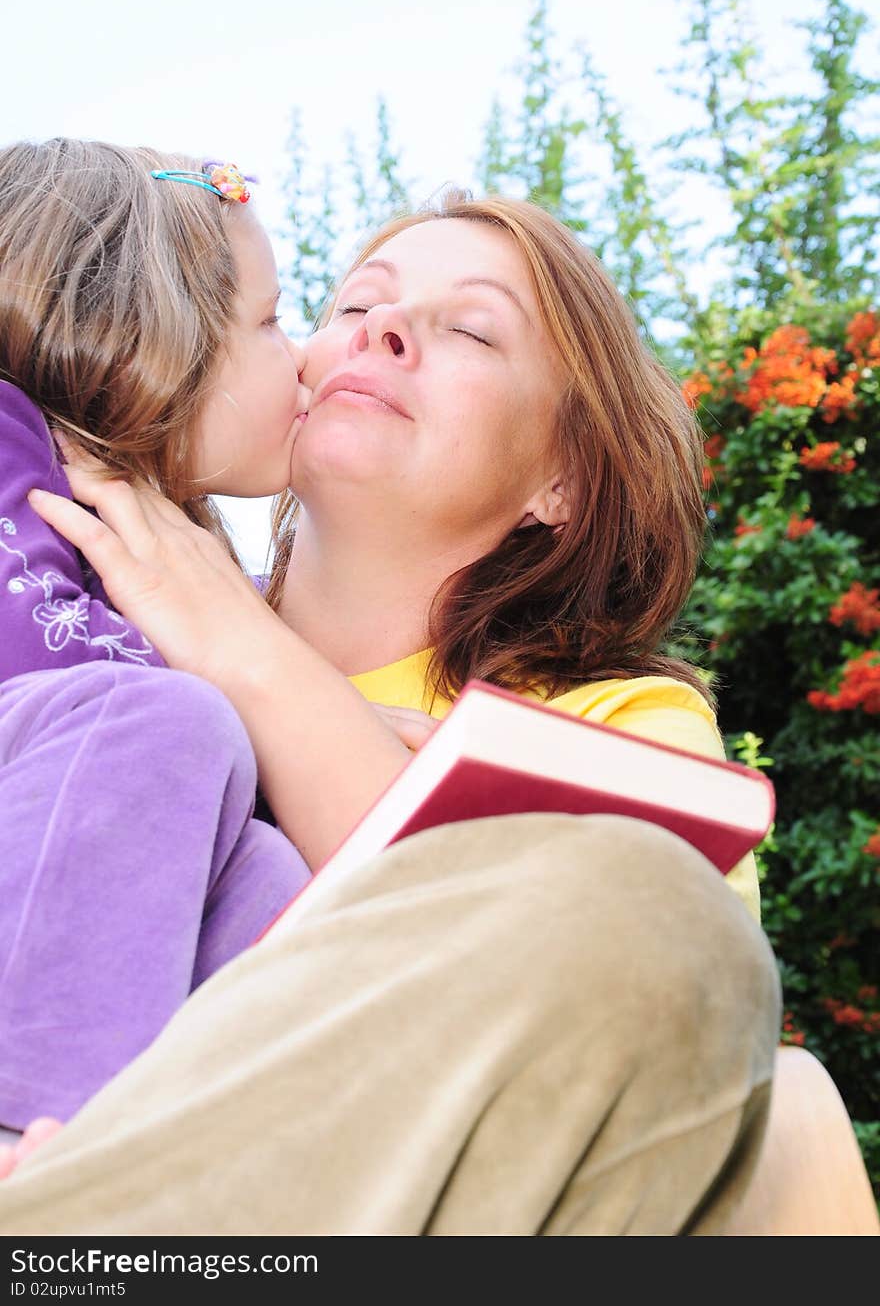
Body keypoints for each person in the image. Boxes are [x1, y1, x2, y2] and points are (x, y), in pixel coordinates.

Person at [0, 190, 782, 1234]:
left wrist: (239, 648)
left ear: (564, 476)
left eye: (469, 327)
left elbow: (647, 1010)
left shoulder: (627, 723)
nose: (383, 328)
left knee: (660, 914)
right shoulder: (82, 634)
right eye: (351, 305)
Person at [0, 138, 319, 1130]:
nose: (302, 354)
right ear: (145, 339)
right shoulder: (9, 432)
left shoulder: (177, 546)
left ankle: (175, 1176)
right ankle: (30, 1139)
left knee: (271, 878)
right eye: (268, 322)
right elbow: (40, 656)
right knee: (165, 726)